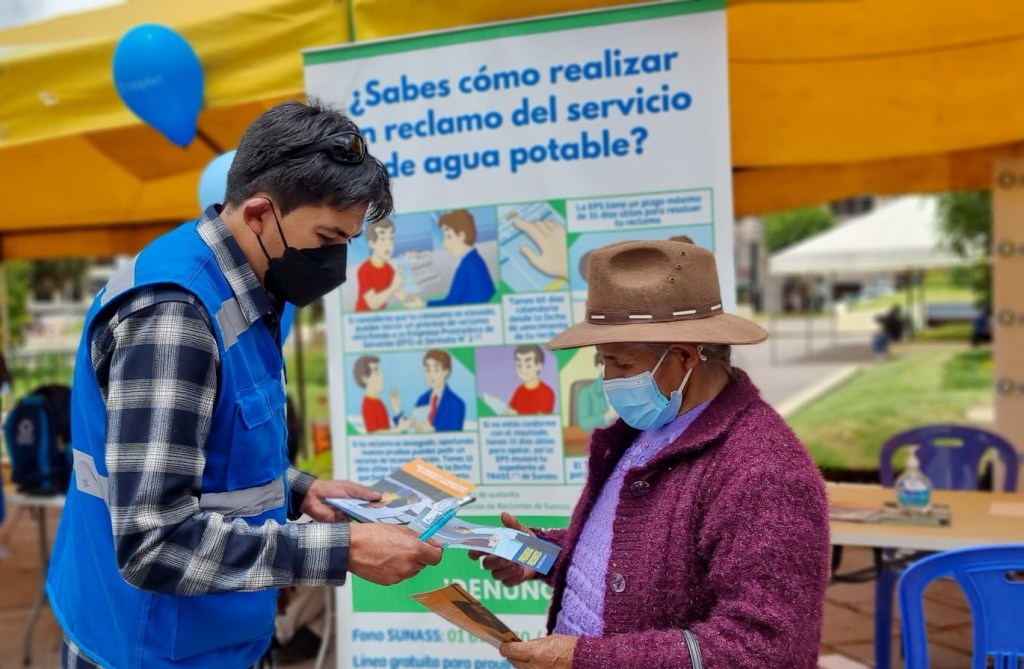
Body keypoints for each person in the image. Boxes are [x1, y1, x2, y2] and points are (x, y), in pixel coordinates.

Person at [47, 100, 443, 669]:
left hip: (216, 636)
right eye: (327, 236)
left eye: (348, 241)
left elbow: (209, 448)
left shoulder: (246, 286)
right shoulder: (174, 318)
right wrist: (343, 550)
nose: (336, 262)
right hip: (151, 646)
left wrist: (299, 490)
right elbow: (155, 543)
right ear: (259, 214)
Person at [472, 239, 830, 668]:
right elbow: (636, 555)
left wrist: (585, 658)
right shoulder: (649, 431)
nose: (609, 379)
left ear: (683, 357)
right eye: (603, 362)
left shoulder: (765, 471)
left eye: (622, 365)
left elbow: (762, 649)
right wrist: (542, 553)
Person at [426, 209, 496, 306]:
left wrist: (424, 304)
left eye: (449, 237)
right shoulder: (476, 259)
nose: (444, 244)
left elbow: (452, 303)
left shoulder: (467, 266)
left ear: (462, 236)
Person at [355, 218, 408, 311]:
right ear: (371, 243)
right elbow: (372, 304)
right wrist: (393, 287)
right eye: (382, 239)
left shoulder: (388, 268)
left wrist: (412, 302)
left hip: (381, 316)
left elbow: (398, 293)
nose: (388, 244)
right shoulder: (364, 270)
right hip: (363, 316)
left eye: (390, 238)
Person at [353, 355, 410, 433]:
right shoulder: (368, 405)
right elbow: (375, 434)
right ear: (365, 379)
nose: (382, 376)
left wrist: (397, 411)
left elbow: (386, 430)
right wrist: (399, 429)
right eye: (377, 372)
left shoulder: (378, 401)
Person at [414, 349, 466, 432]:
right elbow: (415, 429)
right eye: (428, 369)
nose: (431, 374)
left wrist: (432, 432)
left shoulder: (457, 404)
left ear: (446, 371)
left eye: (436, 370)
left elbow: (455, 435)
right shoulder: (422, 400)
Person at [509, 344, 555, 415]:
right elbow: (511, 412)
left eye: (528, 366)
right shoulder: (519, 390)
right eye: (519, 365)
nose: (522, 370)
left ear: (539, 366)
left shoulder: (547, 392)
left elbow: (542, 419)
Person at [575, 352, 616, 431]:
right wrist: (606, 416)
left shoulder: (625, 388)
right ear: (599, 367)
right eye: (608, 365)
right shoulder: (586, 393)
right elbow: (584, 423)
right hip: (602, 434)